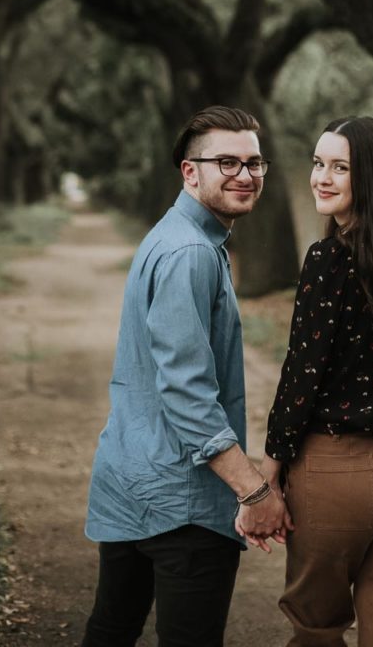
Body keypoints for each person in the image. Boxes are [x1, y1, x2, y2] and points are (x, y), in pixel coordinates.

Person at [81, 105, 291, 647]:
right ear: (189, 171)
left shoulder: (175, 236)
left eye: (254, 163)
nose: (245, 175)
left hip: (132, 481)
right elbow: (187, 392)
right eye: (227, 162)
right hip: (184, 503)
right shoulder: (191, 252)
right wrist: (252, 492)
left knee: (111, 630)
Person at [258, 116, 373, 647]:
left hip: (335, 474)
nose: (322, 177)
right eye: (319, 163)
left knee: (317, 631)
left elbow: (301, 378)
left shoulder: (329, 260)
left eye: (340, 167)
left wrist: (268, 482)